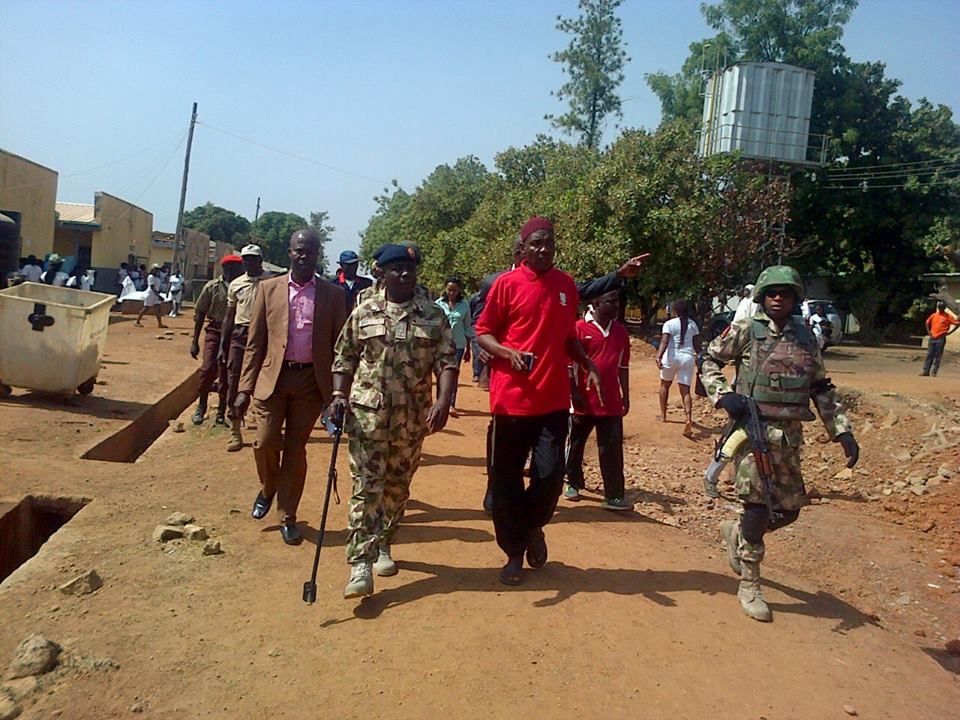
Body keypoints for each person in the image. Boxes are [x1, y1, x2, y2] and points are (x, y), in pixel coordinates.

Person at [701, 265, 859, 622]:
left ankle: (739, 534)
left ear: (794, 299)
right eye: (771, 292)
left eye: (784, 293)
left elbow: (820, 386)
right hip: (752, 432)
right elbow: (709, 359)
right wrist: (724, 395)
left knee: (789, 509)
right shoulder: (746, 329)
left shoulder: (806, 338)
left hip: (789, 437)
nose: (777, 298)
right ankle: (750, 583)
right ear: (761, 296)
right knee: (757, 506)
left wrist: (842, 431)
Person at [476, 217, 603, 586]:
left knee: (549, 476)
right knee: (506, 481)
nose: (543, 249)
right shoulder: (505, 285)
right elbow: (483, 333)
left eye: (549, 243)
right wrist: (507, 351)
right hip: (511, 402)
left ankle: (533, 527)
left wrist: (587, 362)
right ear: (524, 247)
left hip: (552, 401)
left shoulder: (565, 286)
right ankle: (514, 552)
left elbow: (568, 337)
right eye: (536, 244)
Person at [331, 243, 457, 598]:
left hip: (411, 420)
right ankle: (360, 565)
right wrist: (339, 396)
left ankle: (384, 541)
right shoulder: (363, 311)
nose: (404, 273)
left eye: (410, 268)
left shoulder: (433, 315)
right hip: (366, 418)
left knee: (397, 488)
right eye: (397, 268)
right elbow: (344, 357)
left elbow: (447, 362)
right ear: (382, 273)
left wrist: (444, 402)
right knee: (366, 488)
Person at [235, 230, 347, 545]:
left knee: (296, 450)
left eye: (310, 251)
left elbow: (342, 348)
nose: (304, 256)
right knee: (265, 440)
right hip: (273, 378)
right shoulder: (268, 290)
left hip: (311, 383)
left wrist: (339, 393)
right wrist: (245, 387)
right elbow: (255, 344)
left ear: (317, 255)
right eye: (299, 250)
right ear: (289, 252)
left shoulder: (333, 296)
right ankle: (269, 486)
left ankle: (288, 515)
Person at [563, 290, 631, 510]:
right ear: (596, 303)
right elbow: (568, 366)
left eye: (617, 301)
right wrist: (575, 393)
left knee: (611, 448)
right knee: (576, 444)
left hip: (611, 402)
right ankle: (572, 482)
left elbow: (623, 367)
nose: (615, 306)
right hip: (583, 401)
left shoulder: (621, 332)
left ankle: (614, 495)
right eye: (610, 301)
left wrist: (625, 397)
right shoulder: (579, 328)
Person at [220, 244, 266, 452]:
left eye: (252, 259)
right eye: (245, 259)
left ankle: (266, 429)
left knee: (267, 380)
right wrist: (224, 345)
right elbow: (229, 317)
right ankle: (235, 431)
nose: (249, 262)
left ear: (260, 261)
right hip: (240, 334)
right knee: (234, 380)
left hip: (265, 335)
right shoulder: (236, 284)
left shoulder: (271, 281)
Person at [190, 255, 244, 425]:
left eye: (236, 269)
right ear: (224, 269)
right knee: (207, 369)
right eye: (229, 269)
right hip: (214, 331)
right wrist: (194, 342)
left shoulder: (243, 287)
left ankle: (222, 411)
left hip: (235, 333)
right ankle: (201, 406)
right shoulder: (212, 287)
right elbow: (200, 314)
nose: (232, 272)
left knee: (228, 373)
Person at [656, 299, 701, 437]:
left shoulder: (669, 324)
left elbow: (664, 341)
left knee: (665, 386)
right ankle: (688, 418)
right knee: (685, 391)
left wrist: (658, 356)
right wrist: (700, 357)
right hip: (687, 359)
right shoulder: (693, 325)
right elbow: (697, 345)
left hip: (671, 357)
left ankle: (663, 415)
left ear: (675, 310)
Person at [434, 276, 474, 415]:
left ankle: (451, 404)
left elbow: (468, 327)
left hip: (458, 345)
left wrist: (468, 349)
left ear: (459, 291)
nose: (452, 293)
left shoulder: (465, 305)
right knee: (440, 373)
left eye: (455, 290)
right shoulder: (438, 304)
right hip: (441, 345)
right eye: (450, 290)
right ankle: (439, 402)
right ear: (445, 289)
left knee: (453, 374)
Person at [921, 301, 959, 377]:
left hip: (940, 338)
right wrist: (929, 332)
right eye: (939, 307)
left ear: (944, 308)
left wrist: (950, 332)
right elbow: (927, 322)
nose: (940, 308)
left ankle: (934, 372)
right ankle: (926, 371)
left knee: (937, 356)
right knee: (929, 355)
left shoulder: (948, 316)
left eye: (942, 307)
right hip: (932, 337)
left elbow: (957, 323)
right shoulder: (934, 315)